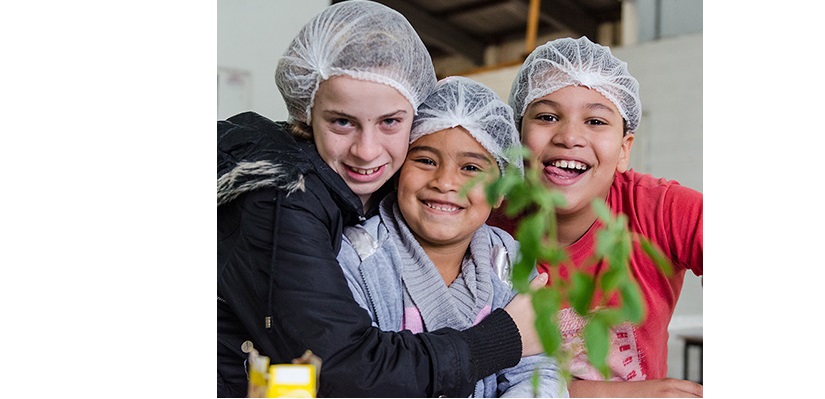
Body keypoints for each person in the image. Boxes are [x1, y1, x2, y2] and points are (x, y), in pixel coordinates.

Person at [217, 2, 542, 397]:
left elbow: (536, 372)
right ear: (306, 110)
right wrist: (503, 339)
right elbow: (341, 371)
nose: (367, 151)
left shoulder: (355, 192)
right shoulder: (281, 201)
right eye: (342, 121)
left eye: (390, 122)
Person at [487, 36, 704, 397]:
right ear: (517, 136)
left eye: (596, 120)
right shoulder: (487, 225)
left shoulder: (661, 210)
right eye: (546, 116)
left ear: (624, 150)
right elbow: (471, 375)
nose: (570, 136)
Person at [337, 76, 567, 398]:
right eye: (426, 161)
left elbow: (537, 372)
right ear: (398, 169)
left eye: (471, 168)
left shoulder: (509, 262)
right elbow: (355, 375)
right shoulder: (358, 259)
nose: (445, 182)